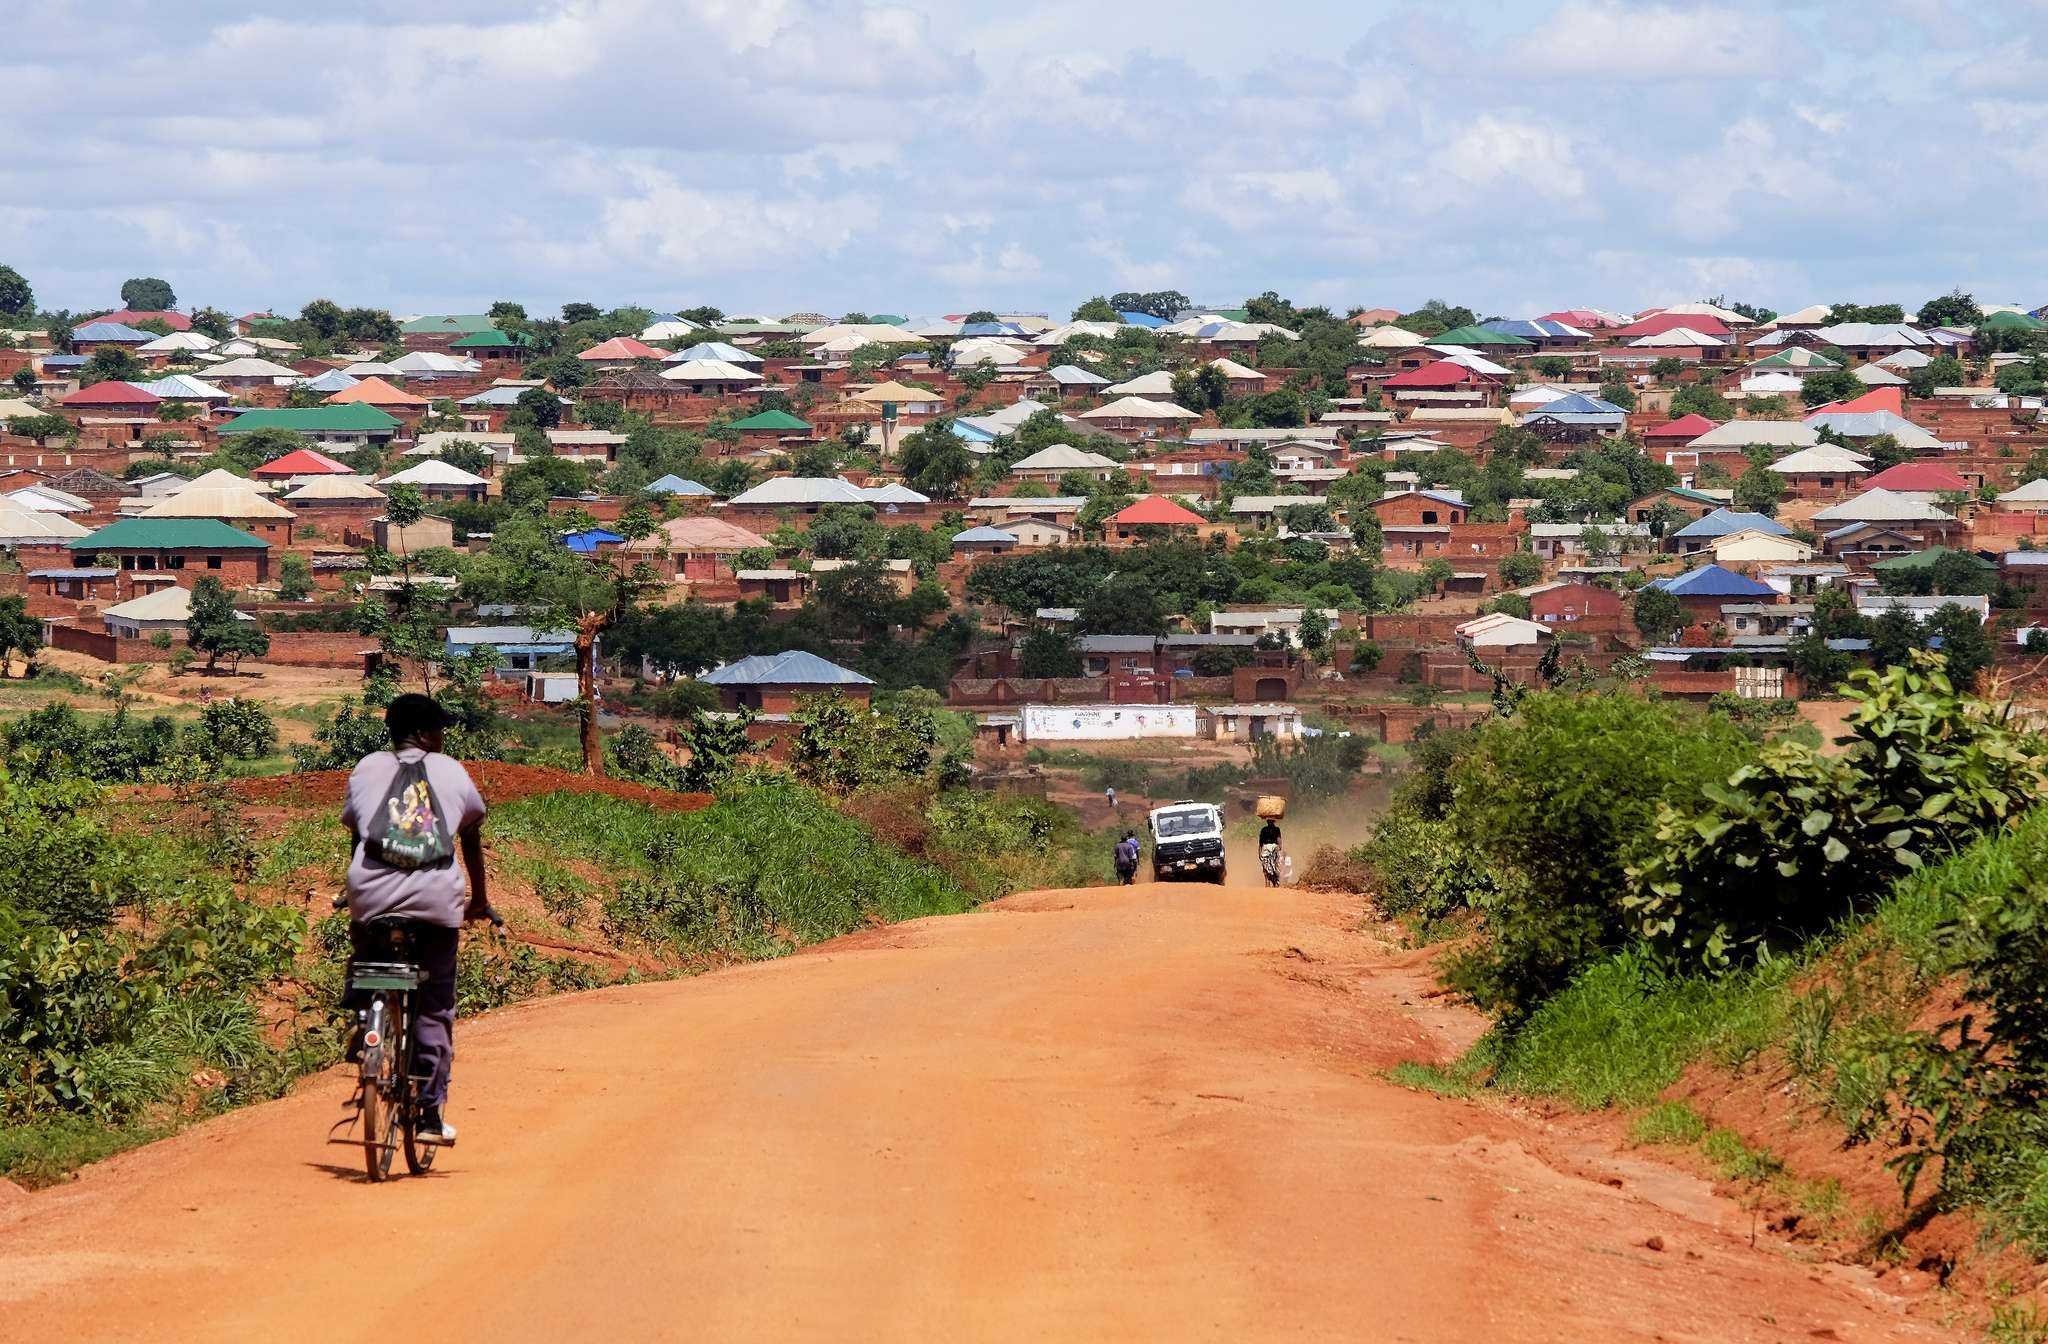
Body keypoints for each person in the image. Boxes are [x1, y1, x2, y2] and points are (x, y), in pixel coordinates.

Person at [341, 694, 491, 1145]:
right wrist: (479, 901)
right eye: (439, 731)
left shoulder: (365, 768)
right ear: (426, 734)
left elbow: (359, 838)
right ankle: (427, 1115)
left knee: (365, 949)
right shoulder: (452, 771)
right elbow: (470, 839)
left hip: (370, 897)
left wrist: (356, 893)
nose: (442, 738)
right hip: (435, 903)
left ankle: (361, 1014)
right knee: (435, 1004)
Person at [1258, 816, 1284, 887]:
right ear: (1267, 822)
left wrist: (1279, 847)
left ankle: (1275, 882)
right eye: (1269, 821)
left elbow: (1279, 839)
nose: (1270, 822)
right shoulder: (1264, 830)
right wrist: (1259, 852)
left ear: (1274, 822)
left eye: (1271, 821)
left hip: (1274, 848)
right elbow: (1260, 842)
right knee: (1266, 867)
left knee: (1275, 867)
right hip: (1265, 848)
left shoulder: (1276, 829)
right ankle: (1267, 883)